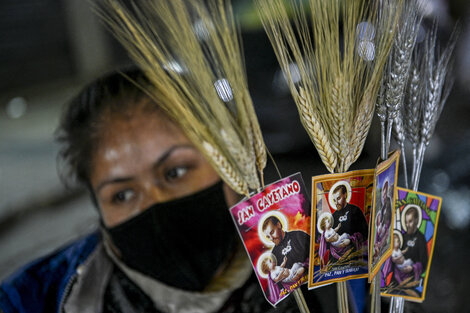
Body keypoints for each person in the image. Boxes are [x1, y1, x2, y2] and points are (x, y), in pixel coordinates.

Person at [0, 68, 322, 313]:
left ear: (227, 165)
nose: (155, 203)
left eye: (175, 172)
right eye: (122, 195)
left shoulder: (304, 255)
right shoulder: (32, 300)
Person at [330, 184, 368, 255]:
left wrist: (350, 240)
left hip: (356, 253)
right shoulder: (333, 216)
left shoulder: (355, 210)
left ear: (345, 195)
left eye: (338, 198)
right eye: (334, 200)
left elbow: (365, 232)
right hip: (339, 256)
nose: (336, 203)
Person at [373, 180, 392, 263]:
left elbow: (387, 225)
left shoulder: (388, 204)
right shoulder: (382, 206)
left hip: (384, 234)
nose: (383, 196)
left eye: (385, 193)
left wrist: (380, 243)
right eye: (383, 194)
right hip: (380, 234)